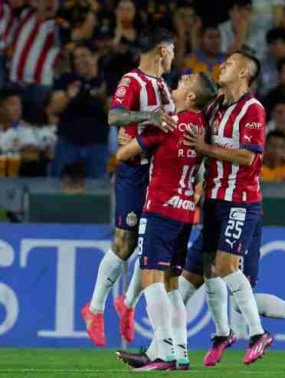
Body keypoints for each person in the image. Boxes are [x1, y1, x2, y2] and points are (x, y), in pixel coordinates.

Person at [114, 72, 216, 371]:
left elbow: (124, 154)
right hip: (185, 211)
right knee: (171, 284)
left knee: (151, 278)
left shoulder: (167, 124)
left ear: (191, 97)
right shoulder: (202, 126)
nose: (178, 81)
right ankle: (180, 353)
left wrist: (130, 137)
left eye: (184, 83)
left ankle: (164, 354)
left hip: (160, 207)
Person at [82, 27, 177, 347]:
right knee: (125, 244)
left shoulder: (163, 86)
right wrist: (146, 118)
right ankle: (95, 308)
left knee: (152, 247)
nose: (174, 56)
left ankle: (128, 303)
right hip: (135, 172)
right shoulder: (132, 80)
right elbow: (114, 116)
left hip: (162, 175)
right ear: (162, 51)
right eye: (172, 50)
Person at [183, 49, 274, 364]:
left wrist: (206, 148)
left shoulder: (252, 109)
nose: (223, 65)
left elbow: (248, 157)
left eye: (231, 63)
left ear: (244, 73)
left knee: (225, 266)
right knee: (203, 270)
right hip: (213, 200)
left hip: (240, 201)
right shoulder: (215, 106)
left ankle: (258, 334)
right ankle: (220, 334)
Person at [48, 43, 109, 178]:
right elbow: (53, 108)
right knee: (59, 185)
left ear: (95, 57)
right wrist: (68, 96)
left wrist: (103, 98)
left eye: (83, 56)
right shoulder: (66, 79)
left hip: (97, 144)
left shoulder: (107, 81)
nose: (79, 61)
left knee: (96, 186)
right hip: (68, 143)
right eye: (76, 58)